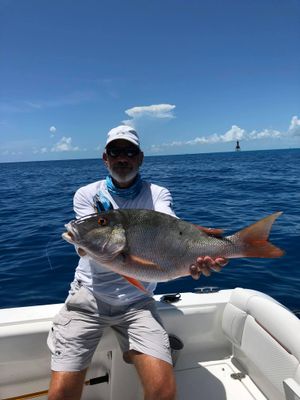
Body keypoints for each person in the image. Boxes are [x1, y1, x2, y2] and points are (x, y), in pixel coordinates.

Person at [47, 125, 227, 400]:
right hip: (88, 299)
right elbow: (86, 244)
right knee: (60, 395)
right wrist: (93, 240)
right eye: (115, 152)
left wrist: (196, 243)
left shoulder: (158, 194)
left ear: (140, 157)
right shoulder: (86, 194)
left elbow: (169, 222)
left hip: (138, 303)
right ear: (105, 158)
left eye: (129, 151)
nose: (122, 158)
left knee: (163, 392)